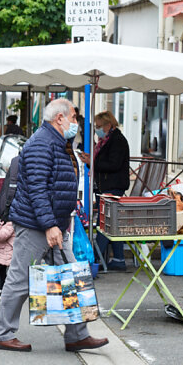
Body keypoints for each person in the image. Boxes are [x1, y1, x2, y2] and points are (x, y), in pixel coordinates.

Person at [0, 98, 109, 353]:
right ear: (60, 118)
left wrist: (58, 224)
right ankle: (2, 334)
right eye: (74, 117)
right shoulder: (42, 144)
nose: (76, 122)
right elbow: (37, 189)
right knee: (20, 279)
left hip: (54, 224)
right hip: (38, 225)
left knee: (71, 277)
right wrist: (49, 225)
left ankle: (77, 334)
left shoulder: (55, 142)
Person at [78, 110, 130, 271]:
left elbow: (113, 165)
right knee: (112, 223)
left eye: (99, 126)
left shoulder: (117, 141)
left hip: (113, 186)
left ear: (109, 124)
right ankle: (118, 259)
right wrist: (90, 161)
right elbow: (103, 163)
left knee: (105, 223)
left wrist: (92, 162)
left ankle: (95, 258)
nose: (97, 129)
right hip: (107, 186)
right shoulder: (105, 140)